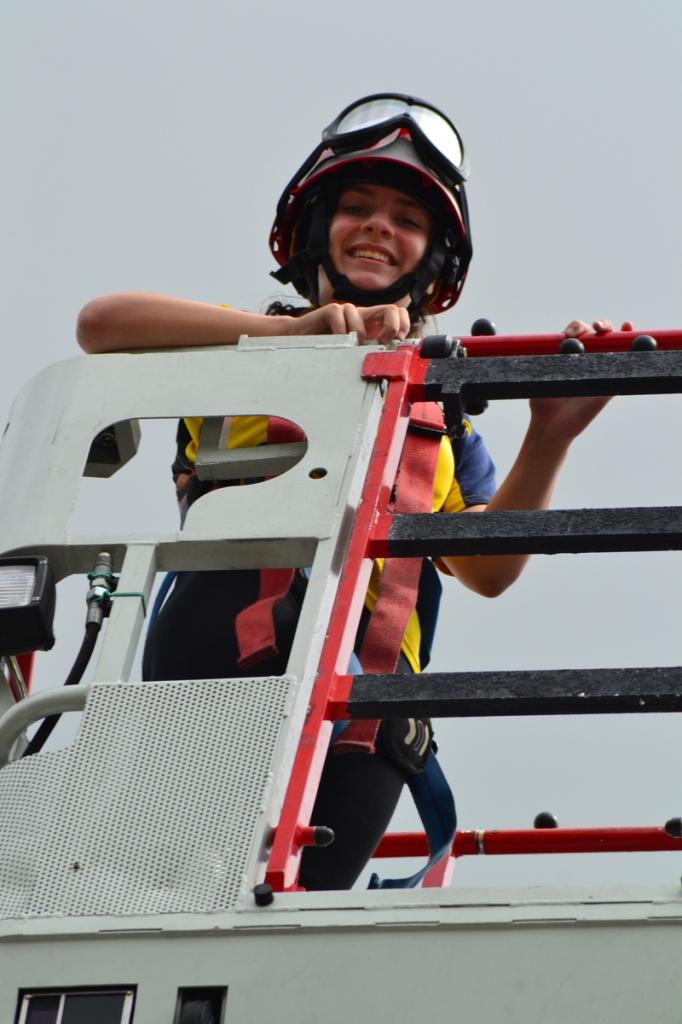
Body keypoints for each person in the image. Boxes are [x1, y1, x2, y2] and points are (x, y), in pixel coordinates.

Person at [77, 93, 631, 890]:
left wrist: (551, 433)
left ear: (434, 262)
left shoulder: (443, 419)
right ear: (314, 235)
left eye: (407, 219)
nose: (379, 226)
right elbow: (102, 322)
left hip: (367, 717)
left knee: (296, 926)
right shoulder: (237, 343)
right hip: (210, 669)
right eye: (359, 207)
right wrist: (294, 335)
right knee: (166, 895)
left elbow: (489, 571)